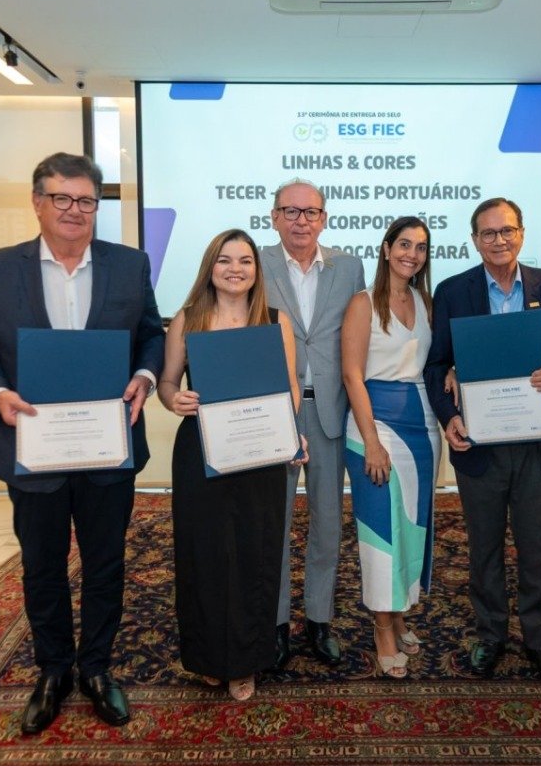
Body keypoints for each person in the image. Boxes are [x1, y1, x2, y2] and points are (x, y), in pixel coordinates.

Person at [0, 152, 165, 735]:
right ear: (38, 202)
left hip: (107, 445)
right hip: (34, 444)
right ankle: (53, 671)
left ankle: (97, 668)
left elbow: (150, 334)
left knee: (106, 563)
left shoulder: (129, 264)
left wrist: (145, 377)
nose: (74, 210)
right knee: (42, 566)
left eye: (86, 201)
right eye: (61, 198)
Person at [424, 197, 541, 685]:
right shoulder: (453, 292)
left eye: (507, 230)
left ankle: (539, 639)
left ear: (522, 234)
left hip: (537, 443)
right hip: (478, 443)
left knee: (537, 547)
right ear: (475, 240)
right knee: (484, 547)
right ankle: (490, 634)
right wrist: (449, 417)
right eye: (488, 233)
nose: (499, 240)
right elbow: (436, 363)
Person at [158, 229, 302, 700]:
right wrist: (173, 400)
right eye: (224, 260)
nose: (235, 269)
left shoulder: (275, 321)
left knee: (254, 555)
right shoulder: (188, 319)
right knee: (204, 554)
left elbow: (290, 387)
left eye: (245, 261)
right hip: (200, 451)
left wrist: (290, 431)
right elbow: (167, 383)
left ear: (257, 270)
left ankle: (246, 662)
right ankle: (207, 657)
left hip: (261, 452)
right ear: (210, 267)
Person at [261, 179, 366, 669]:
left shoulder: (349, 268)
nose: (301, 220)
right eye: (291, 211)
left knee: (327, 522)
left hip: (329, 411)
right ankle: (278, 621)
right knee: (275, 522)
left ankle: (319, 619)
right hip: (274, 414)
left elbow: (359, 337)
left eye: (310, 212)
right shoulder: (255, 264)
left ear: (324, 218)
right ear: (274, 217)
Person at [340, 216, 440, 678]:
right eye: (403, 244)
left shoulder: (425, 301)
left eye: (420, 247)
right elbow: (351, 375)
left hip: (422, 428)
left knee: (412, 528)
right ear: (385, 249)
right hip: (373, 427)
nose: (411, 254)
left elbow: (432, 361)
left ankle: (399, 614)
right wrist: (372, 442)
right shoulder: (362, 303)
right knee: (380, 533)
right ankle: (382, 627)